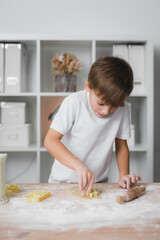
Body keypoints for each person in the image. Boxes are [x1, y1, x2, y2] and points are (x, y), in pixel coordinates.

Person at [44, 56, 142, 197]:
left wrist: (124, 175)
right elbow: (50, 141)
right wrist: (78, 165)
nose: (106, 111)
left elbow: (121, 145)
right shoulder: (74, 103)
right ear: (88, 86)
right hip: (61, 183)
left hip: (98, 184)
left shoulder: (124, 108)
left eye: (114, 106)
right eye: (101, 103)